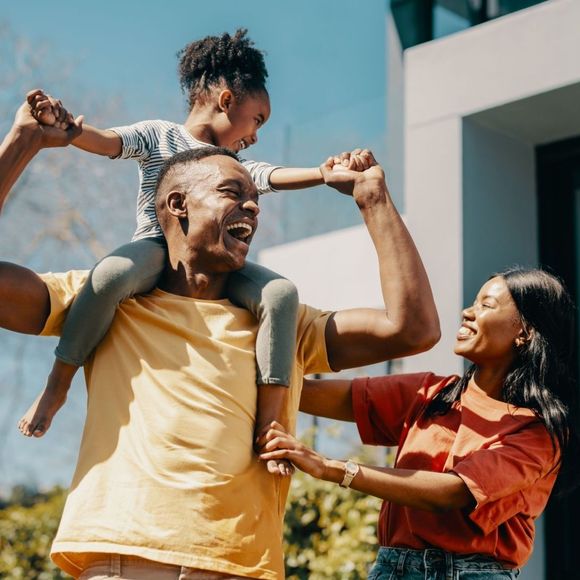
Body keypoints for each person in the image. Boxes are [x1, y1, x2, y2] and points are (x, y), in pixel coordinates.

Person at [0, 99, 439, 579]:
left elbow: (412, 329)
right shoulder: (106, 301)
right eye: (233, 191)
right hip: (124, 557)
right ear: (177, 205)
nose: (252, 204)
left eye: (255, 197)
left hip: (242, 566)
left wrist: (374, 200)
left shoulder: (286, 323)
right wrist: (23, 142)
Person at [18, 31, 326, 473]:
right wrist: (67, 128)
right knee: (109, 276)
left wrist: (321, 172)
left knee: (279, 294)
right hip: (156, 250)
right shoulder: (159, 136)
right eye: (257, 119)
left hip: (213, 261)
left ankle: (271, 425)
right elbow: (107, 141)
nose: (257, 135)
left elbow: (269, 175)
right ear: (225, 100)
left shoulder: (231, 165)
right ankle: (57, 385)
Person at [260, 268, 580, 579]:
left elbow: (452, 492)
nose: (468, 312)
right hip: (391, 568)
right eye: (474, 302)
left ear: (524, 333)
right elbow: (306, 393)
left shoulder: (538, 431)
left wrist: (330, 468)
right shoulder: (431, 394)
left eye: (486, 305)